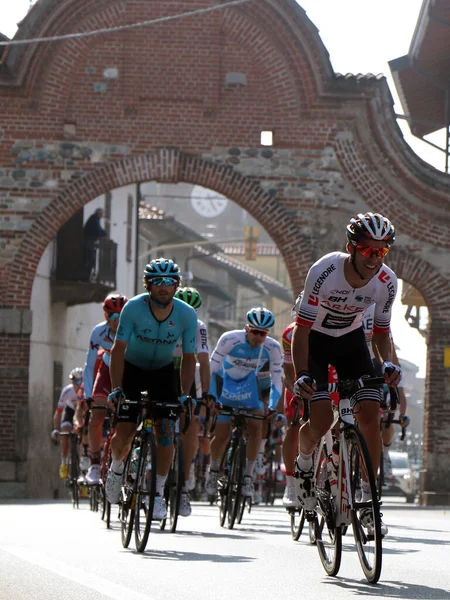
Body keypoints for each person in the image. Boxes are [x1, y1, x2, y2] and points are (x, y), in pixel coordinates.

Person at [292, 212, 401, 536]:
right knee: (323, 419)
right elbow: (302, 330)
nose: (374, 259)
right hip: (316, 342)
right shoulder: (325, 271)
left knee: (371, 415)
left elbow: (381, 333)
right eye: (368, 251)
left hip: (352, 343)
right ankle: (305, 460)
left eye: (381, 252)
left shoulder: (386, 282)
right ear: (351, 248)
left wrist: (389, 363)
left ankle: (368, 501)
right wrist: (301, 373)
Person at [105, 258, 198, 520]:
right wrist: (116, 388)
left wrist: (185, 393)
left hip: (163, 373)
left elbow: (189, 357)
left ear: (176, 286)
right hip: (132, 369)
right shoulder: (133, 308)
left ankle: (157, 494)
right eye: (157, 282)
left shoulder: (187, 314)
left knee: (166, 434)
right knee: (123, 433)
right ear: (148, 285)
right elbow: (118, 349)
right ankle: (116, 469)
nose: (163, 287)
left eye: (169, 282)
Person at [205, 307, 283, 500]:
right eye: (254, 331)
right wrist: (212, 396)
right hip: (226, 387)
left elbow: (277, 380)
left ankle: (248, 476)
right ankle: (214, 470)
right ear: (246, 328)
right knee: (222, 435)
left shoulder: (272, 348)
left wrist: (272, 406)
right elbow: (211, 370)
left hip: (249, 390)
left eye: (262, 333)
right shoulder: (230, 339)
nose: (258, 337)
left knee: (257, 425)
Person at [83, 293, 128, 485]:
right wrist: (87, 395)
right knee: (97, 415)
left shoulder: (135, 331)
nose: (117, 322)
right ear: (106, 317)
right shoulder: (98, 333)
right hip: (107, 370)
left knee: (127, 421)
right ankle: (94, 463)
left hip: (128, 372)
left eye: (121, 317)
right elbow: (89, 365)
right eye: (113, 317)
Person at [173, 287, 212, 500]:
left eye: (193, 310)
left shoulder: (198, 327)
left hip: (186, 372)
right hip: (163, 369)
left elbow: (204, 362)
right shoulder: (165, 320)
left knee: (191, 424)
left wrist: (205, 394)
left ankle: (185, 478)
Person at [51, 367, 85, 479]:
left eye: (80, 381)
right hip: (70, 413)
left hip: (82, 413)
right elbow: (58, 412)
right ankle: (64, 462)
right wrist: (56, 429)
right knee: (65, 432)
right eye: (75, 381)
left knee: (83, 437)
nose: (78, 384)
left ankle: (83, 470)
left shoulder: (87, 391)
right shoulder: (67, 391)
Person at [83, 208, 107, 280]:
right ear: (98, 214)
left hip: (90, 242)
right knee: (90, 259)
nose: (101, 216)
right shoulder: (94, 219)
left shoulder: (94, 219)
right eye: (101, 214)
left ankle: (88, 275)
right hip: (89, 242)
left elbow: (99, 230)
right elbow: (98, 230)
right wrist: (104, 235)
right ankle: (87, 276)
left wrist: (104, 234)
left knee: (91, 259)